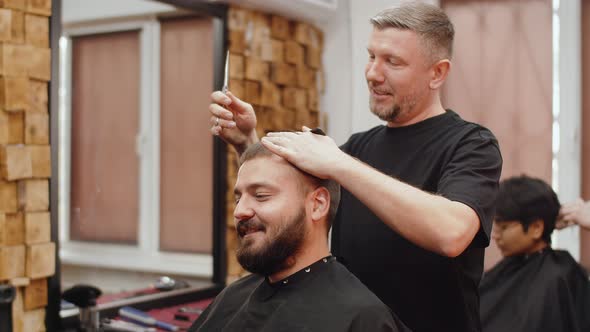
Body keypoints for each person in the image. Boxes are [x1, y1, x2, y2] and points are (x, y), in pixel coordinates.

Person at [208, 3, 502, 331]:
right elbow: (289, 208)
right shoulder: (358, 147)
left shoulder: (472, 144)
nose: (373, 73)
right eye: (371, 56)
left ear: (437, 73)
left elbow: (452, 234)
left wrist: (340, 164)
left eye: (392, 61)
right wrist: (246, 141)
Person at [189, 143, 409, 332]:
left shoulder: (361, 317)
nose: (240, 211)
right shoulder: (233, 297)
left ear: (317, 205)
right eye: (238, 198)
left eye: (261, 196)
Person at [479, 175, 590, 332]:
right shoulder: (499, 275)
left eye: (503, 227)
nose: (495, 235)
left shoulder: (560, 276)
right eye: (495, 227)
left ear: (536, 227)